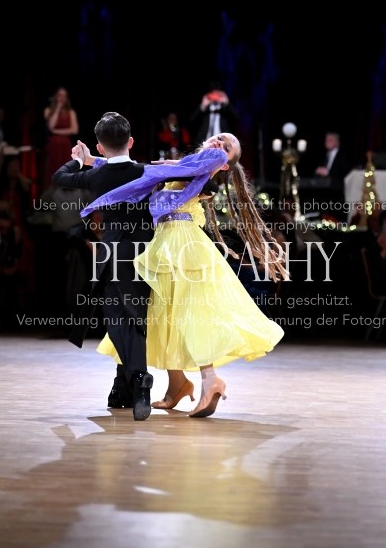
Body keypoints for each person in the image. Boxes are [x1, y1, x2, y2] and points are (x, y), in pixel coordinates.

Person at [80, 133, 287, 419]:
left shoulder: (205, 168)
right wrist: (92, 160)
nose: (219, 143)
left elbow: (155, 173)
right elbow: (139, 171)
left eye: (227, 147)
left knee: (187, 312)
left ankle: (210, 379)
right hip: (167, 240)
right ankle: (177, 384)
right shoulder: (185, 165)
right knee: (164, 313)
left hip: (181, 243)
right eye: (219, 138)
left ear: (224, 164)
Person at [52, 112, 155, 421]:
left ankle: (138, 378)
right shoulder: (146, 172)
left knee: (117, 319)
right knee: (134, 318)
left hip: (111, 254)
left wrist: (79, 160)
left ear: (99, 147)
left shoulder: (96, 176)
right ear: (131, 142)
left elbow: (60, 177)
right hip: (145, 254)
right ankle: (126, 385)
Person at [44, 87, 79, 185]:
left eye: (64, 96)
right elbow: (51, 126)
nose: (62, 98)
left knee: (65, 170)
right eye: (60, 95)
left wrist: (56, 131)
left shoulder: (71, 112)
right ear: (55, 97)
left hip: (65, 145)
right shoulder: (48, 111)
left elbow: (74, 130)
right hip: (53, 145)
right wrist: (57, 109)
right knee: (53, 170)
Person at [189, 82, 239, 148]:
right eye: (213, 94)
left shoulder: (225, 109)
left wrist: (227, 103)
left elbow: (236, 118)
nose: (215, 96)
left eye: (218, 94)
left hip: (221, 142)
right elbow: (191, 120)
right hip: (206, 141)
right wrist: (202, 106)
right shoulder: (205, 109)